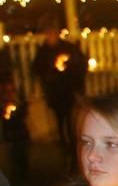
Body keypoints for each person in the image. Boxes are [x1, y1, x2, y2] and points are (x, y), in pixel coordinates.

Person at [30, 15, 87, 152]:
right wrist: (49, 73)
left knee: (70, 117)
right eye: (48, 33)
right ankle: (63, 141)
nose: (50, 35)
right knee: (59, 117)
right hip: (54, 89)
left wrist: (69, 67)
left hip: (68, 88)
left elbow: (79, 63)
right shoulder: (43, 51)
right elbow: (38, 68)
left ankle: (73, 143)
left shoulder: (68, 48)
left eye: (52, 32)